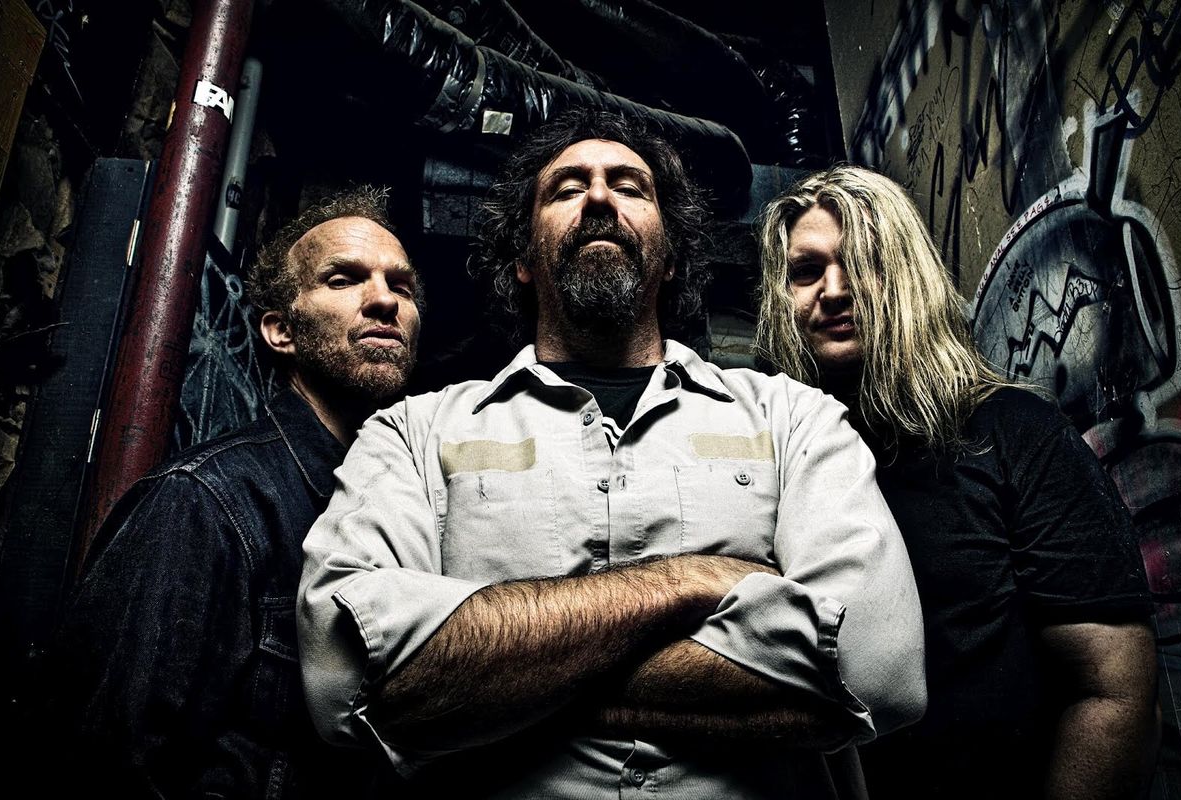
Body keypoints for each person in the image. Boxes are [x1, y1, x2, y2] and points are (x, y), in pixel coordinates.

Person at [297, 109, 925, 799]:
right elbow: (347, 682)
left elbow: (877, 672)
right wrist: (689, 582)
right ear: (523, 259)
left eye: (630, 187)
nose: (598, 197)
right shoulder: (412, 433)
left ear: (672, 256)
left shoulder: (794, 419)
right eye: (566, 189)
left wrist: (505, 679)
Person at [755, 164, 1160, 800]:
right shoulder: (772, 465)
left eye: (861, 263)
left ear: (906, 275)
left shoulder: (1012, 430)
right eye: (806, 271)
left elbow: (1113, 690)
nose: (833, 290)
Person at [42, 185, 422, 797]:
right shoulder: (203, 499)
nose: (385, 300)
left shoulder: (406, 512)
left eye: (401, 286)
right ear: (280, 331)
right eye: (343, 279)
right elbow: (104, 761)